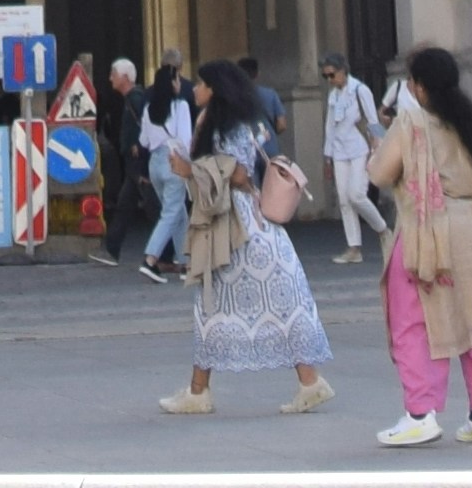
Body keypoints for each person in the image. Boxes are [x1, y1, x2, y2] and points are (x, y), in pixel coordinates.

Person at [361, 42, 472, 448]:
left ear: (418, 87)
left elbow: (381, 174)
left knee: (412, 321)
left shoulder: (412, 123)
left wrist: (376, 152)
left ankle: (420, 413)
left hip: (428, 232)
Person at [158, 56, 332, 417]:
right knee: (277, 303)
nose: (197, 89)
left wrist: (189, 170)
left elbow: (235, 174)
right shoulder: (235, 121)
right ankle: (308, 380)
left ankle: (200, 391)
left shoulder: (225, 126)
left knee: (213, 305)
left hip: (237, 227)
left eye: (203, 84)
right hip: (253, 225)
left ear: (216, 89)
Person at [315, 58, 383, 261]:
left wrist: (378, 148)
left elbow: (373, 120)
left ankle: (382, 229)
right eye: (325, 76)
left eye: (332, 75)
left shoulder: (360, 90)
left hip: (359, 149)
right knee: (344, 200)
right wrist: (327, 157)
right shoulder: (333, 94)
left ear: (343, 71)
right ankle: (354, 247)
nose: (329, 79)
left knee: (356, 195)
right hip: (338, 151)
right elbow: (330, 126)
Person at [90, 55, 150, 273]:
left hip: (138, 163)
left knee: (157, 210)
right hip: (135, 164)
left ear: (124, 77)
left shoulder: (135, 99)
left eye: (113, 74)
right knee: (128, 207)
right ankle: (111, 250)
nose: (110, 78)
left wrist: (138, 153)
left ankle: (168, 254)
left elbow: (144, 129)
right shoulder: (133, 98)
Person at [138, 69, 195, 278]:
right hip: (174, 161)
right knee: (171, 213)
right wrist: (190, 166)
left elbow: (143, 141)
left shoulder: (148, 109)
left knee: (177, 213)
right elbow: (186, 140)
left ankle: (187, 263)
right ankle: (150, 258)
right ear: (172, 84)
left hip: (155, 163)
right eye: (177, 79)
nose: (180, 83)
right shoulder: (181, 106)